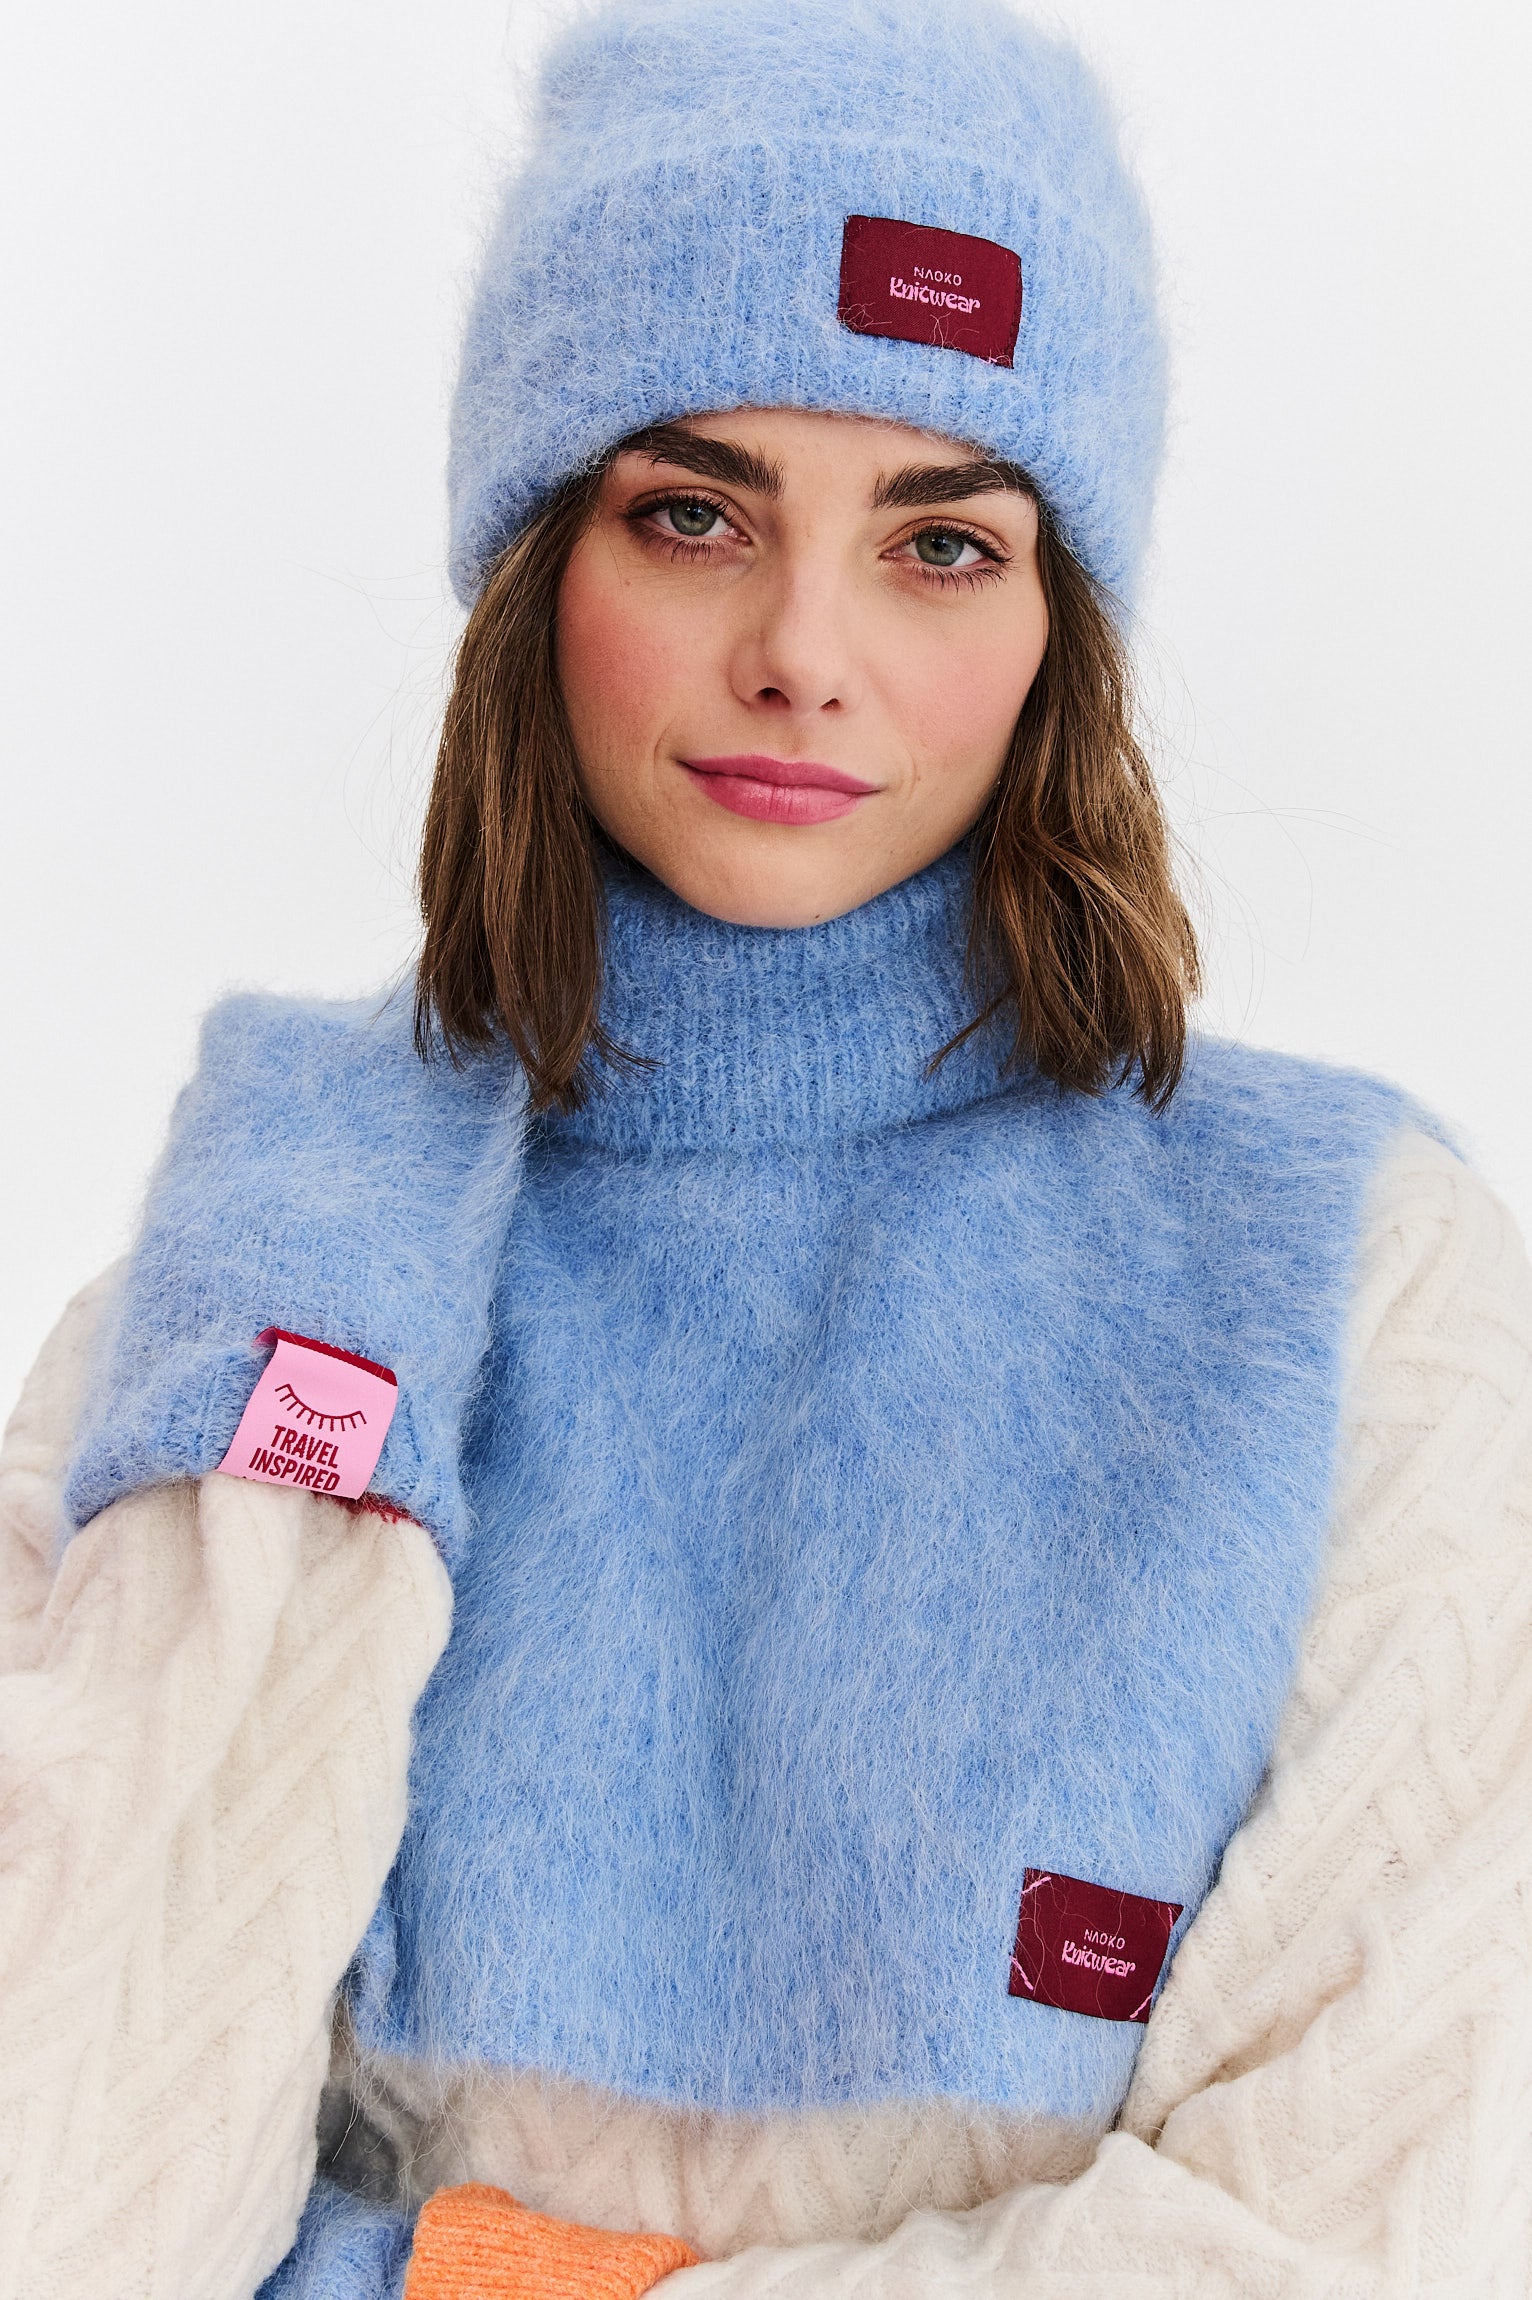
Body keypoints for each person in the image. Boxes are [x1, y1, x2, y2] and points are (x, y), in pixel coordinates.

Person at [1, 0, 1528, 2293]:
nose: (804, 650)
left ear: (1058, 623)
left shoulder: (1357, 1285)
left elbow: (1359, 2237)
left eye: (941, 541)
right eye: (694, 515)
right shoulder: (270, 1267)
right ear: (544, 565)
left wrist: (437, 2277)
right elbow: (57, 2185)